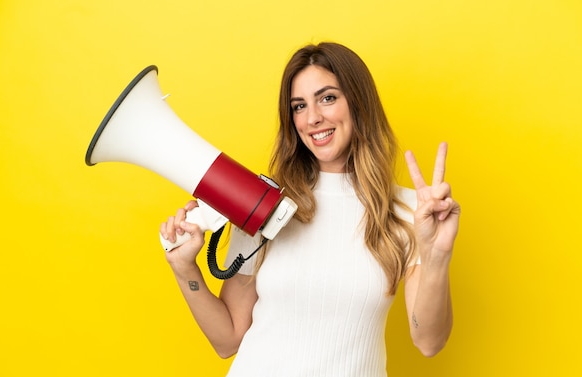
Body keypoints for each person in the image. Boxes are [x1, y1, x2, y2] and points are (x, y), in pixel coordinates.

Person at [160, 42, 460, 376]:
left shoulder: (410, 211)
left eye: (327, 98)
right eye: (299, 106)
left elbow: (429, 341)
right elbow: (227, 340)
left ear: (358, 103)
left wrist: (436, 255)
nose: (313, 118)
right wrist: (185, 269)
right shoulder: (263, 202)